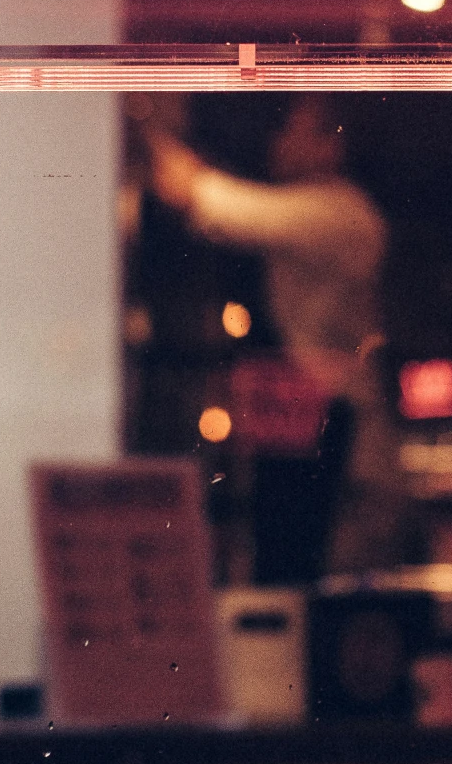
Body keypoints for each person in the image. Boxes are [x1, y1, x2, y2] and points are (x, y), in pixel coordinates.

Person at [143, 101, 404, 573]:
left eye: (292, 130)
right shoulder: (328, 212)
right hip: (310, 426)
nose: (278, 142)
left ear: (331, 144)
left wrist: (144, 116)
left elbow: (209, 198)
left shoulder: (340, 214)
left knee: (315, 591)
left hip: (337, 433)